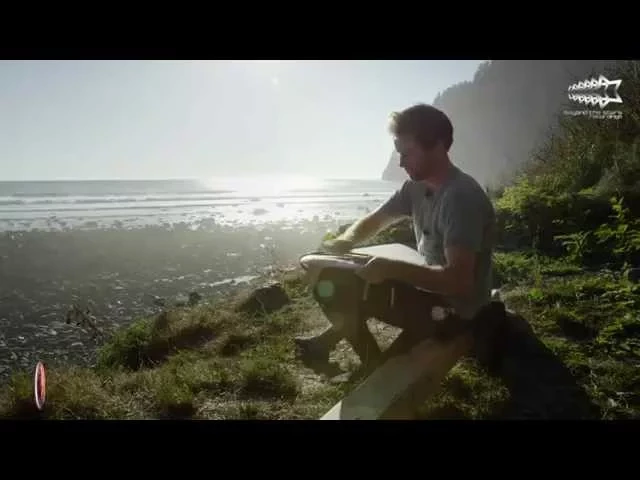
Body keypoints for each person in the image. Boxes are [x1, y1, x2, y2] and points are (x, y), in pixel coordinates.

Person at [295, 103, 497, 375]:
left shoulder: (460, 198)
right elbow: (378, 218)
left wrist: (391, 269)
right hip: (431, 288)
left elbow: (458, 282)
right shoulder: (416, 187)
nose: (401, 163)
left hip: (455, 311)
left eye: (406, 153)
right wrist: (345, 241)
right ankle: (347, 353)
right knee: (339, 277)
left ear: (437, 146)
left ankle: (372, 367)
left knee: (335, 285)